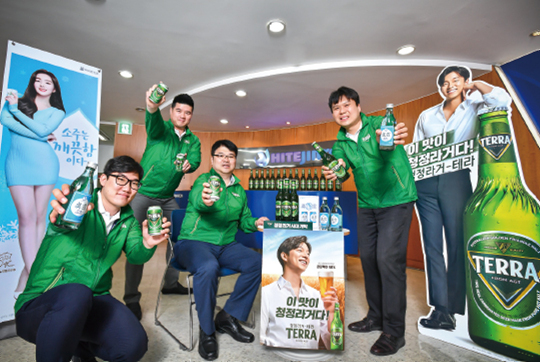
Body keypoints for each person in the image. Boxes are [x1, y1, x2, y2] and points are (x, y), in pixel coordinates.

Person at [14, 155, 171, 362]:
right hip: (43, 303)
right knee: (77, 293)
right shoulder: (79, 205)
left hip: (94, 299)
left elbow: (136, 256)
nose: (127, 188)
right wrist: (60, 212)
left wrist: (148, 243)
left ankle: (79, 347)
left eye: (134, 183)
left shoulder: (129, 221)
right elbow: (60, 219)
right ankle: (75, 347)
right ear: (103, 179)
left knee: (133, 344)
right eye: (120, 179)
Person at [413, 65, 511, 330]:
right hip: (425, 183)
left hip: (456, 179)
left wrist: (476, 86)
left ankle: (454, 309)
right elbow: (418, 149)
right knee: (432, 247)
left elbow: (503, 101)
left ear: (464, 82)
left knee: (457, 243)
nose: (449, 86)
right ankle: (440, 309)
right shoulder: (426, 115)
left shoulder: (476, 107)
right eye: (444, 82)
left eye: (455, 80)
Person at [322, 86, 417, 356]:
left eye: (346, 105)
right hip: (368, 204)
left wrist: (393, 136)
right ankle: (375, 317)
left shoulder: (379, 124)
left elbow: (392, 136)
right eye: (336, 108)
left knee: (388, 260)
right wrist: (335, 173)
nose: (342, 111)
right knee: (369, 259)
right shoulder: (340, 143)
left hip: (397, 199)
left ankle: (394, 331)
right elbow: (342, 173)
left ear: (358, 106)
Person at [174, 139, 268, 361]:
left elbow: (244, 220)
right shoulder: (203, 181)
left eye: (230, 156)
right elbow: (198, 199)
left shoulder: (238, 189)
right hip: (193, 242)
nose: (226, 159)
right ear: (212, 159)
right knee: (208, 266)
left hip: (226, 244)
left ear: (235, 160)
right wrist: (206, 200)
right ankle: (207, 330)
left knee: (257, 262)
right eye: (221, 155)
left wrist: (255, 223)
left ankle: (228, 316)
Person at [124, 84, 201, 320]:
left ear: (190, 115)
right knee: (138, 245)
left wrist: (191, 165)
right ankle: (131, 299)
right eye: (178, 111)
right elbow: (153, 119)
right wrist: (151, 106)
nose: (182, 115)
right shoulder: (160, 130)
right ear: (171, 112)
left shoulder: (192, 140)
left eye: (187, 113)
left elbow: (196, 159)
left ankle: (170, 284)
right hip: (143, 194)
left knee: (178, 240)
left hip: (168, 198)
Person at [0, 69, 66, 297]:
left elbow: (43, 131)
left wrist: (16, 113)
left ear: (54, 88)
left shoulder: (57, 112)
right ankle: (37, 276)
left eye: (48, 82)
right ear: (32, 83)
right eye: (38, 80)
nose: (42, 84)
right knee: (26, 218)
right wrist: (34, 130)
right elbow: (5, 120)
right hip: (18, 163)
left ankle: (27, 277)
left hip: (45, 164)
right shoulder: (17, 100)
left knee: (39, 217)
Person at [260, 235, 339, 350]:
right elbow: (262, 337)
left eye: (308, 253)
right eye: (300, 250)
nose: (305, 256)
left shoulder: (316, 295)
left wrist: (331, 313)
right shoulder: (267, 292)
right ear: (284, 256)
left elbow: (331, 343)